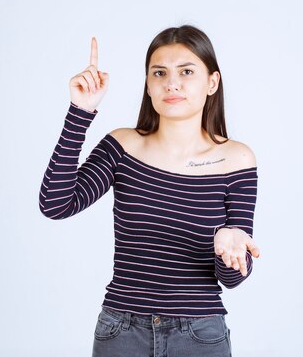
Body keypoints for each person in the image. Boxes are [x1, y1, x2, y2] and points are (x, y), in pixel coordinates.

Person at [39, 25, 260, 357]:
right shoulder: (123, 146)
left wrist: (225, 250)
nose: (171, 83)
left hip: (199, 334)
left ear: (211, 82)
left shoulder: (236, 159)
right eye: (160, 73)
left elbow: (233, 277)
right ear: (148, 84)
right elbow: (55, 204)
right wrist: (80, 113)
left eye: (186, 71)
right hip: (122, 332)